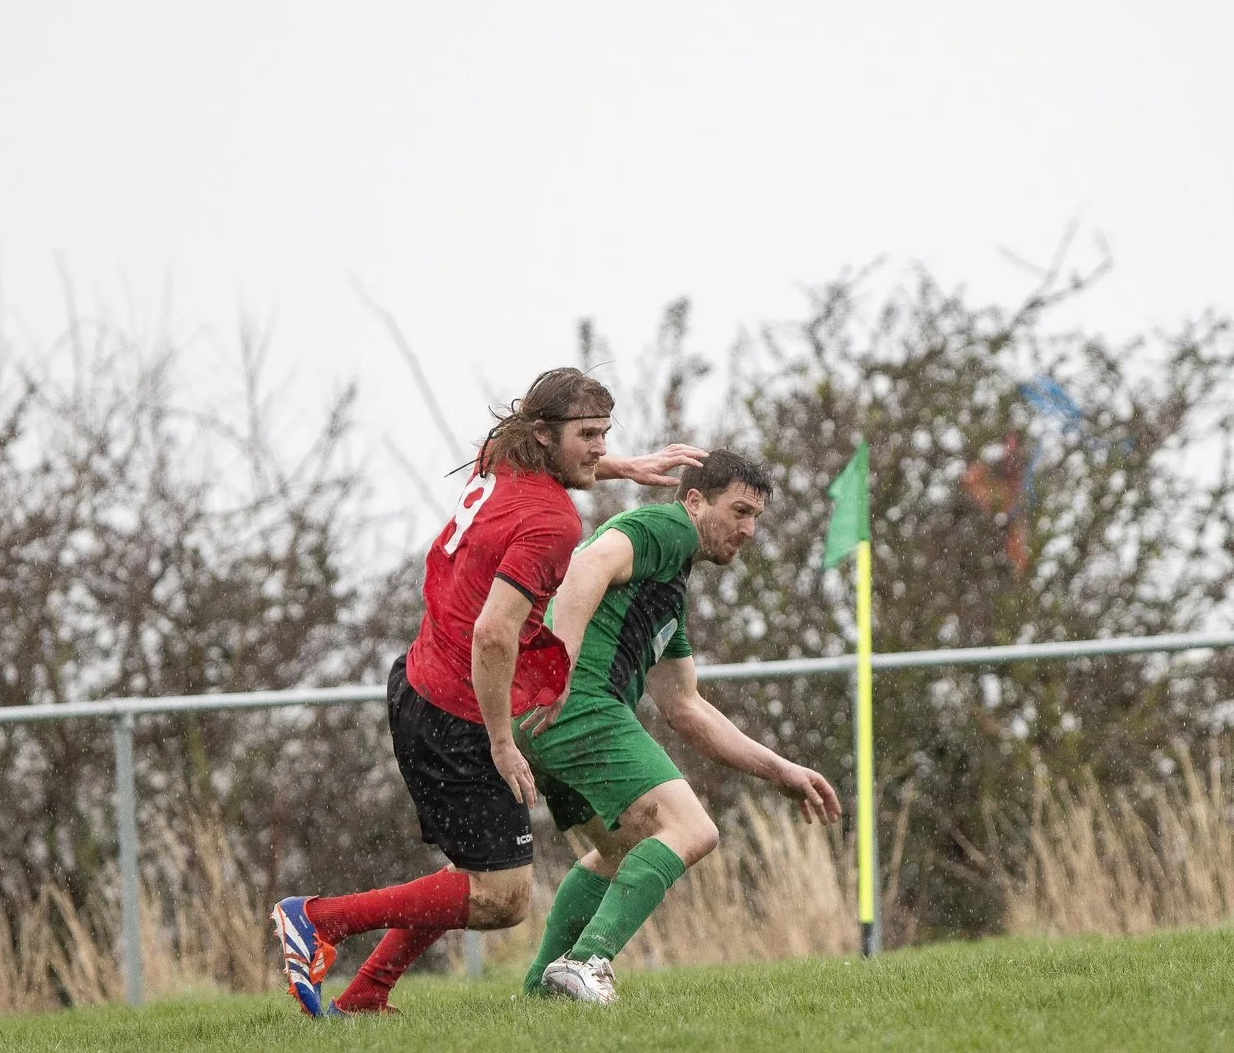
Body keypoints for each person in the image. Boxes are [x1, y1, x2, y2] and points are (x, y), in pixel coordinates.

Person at [269, 369, 702, 1016]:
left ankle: (366, 994)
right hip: (458, 711)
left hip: (421, 684)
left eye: (604, 435)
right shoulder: (552, 522)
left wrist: (621, 467)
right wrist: (501, 741)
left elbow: (550, 459)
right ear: (542, 434)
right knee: (503, 898)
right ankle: (321, 919)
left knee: (478, 873)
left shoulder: (501, 459)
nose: (597, 448)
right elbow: (495, 634)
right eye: (587, 436)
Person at [520, 449, 841, 1004]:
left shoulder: (666, 590)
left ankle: (540, 992)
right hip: (578, 704)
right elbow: (588, 564)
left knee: (618, 849)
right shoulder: (668, 529)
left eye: (756, 518)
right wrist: (561, 665)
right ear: (694, 501)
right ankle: (587, 961)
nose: (749, 529)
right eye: (739, 511)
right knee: (693, 830)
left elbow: (686, 707)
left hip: (546, 718)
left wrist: (780, 770)